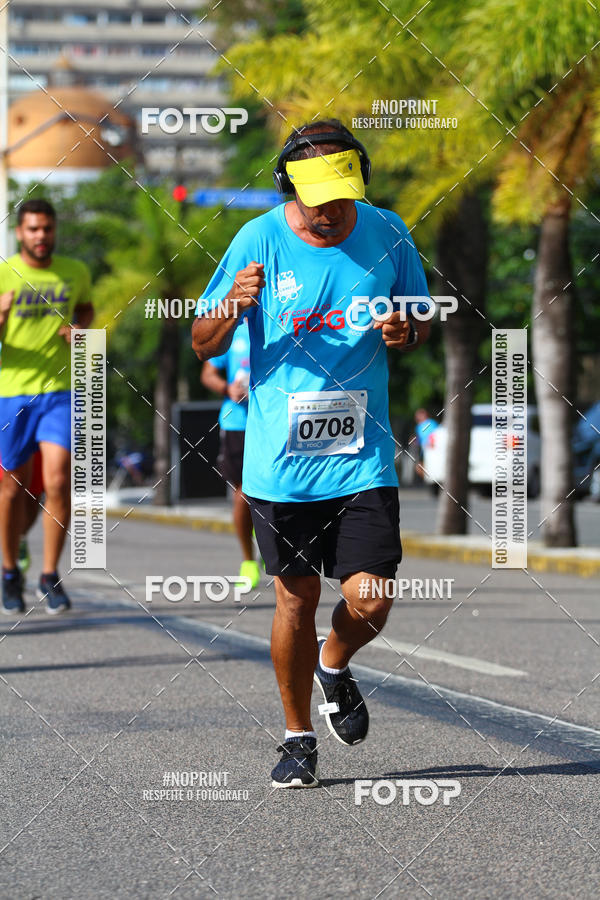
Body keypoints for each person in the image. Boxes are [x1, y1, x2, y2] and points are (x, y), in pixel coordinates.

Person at [192, 119, 430, 788]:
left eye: (342, 196)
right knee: (294, 599)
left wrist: (406, 329)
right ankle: (298, 737)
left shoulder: (388, 232)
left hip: (362, 456)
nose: (330, 211)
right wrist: (232, 306)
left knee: (372, 599)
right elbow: (202, 341)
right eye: (316, 198)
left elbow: (419, 316)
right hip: (281, 464)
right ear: (288, 187)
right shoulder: (258, 239)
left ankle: (335, 662)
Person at [0, 199, 93, 615]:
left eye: (47, 228)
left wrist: (79, 328)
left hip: (60, 391)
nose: (41, 236)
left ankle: (49, 574)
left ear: (54, 230)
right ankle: (9, 572)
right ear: (20, 232)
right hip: (11, 392)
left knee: (58, 480)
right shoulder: (4, 274)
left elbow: (85, 308)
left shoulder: (75, 271)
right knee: (11, 488)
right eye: (33, 229)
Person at [200, 319, 261, 589]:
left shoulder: (282, 321)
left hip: (276, 422)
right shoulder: (233, 329)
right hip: (238, 423)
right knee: (243, 492)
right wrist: (228, 389)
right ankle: (248, 560)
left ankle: (271, 545)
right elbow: (207, 374)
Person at [413, 407, 438, 480]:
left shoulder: (432, 423)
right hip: (424, 450)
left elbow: (436, 434)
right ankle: (429, 480)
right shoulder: (418, 427)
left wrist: (432, 443)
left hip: (432, 449)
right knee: (419, 468)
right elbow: (419, 439)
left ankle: (432, 481)